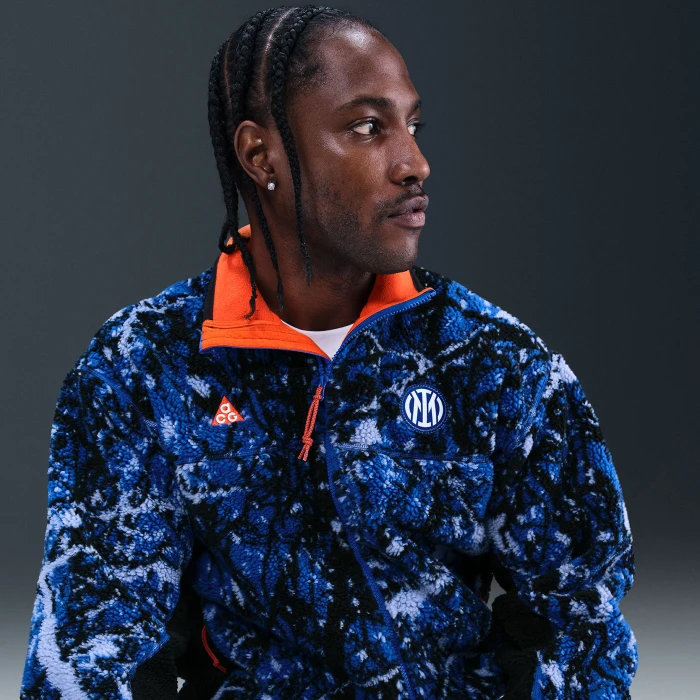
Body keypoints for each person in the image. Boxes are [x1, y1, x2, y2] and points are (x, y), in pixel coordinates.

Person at [20, 5, 638, 699]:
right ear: (261, 157)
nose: (415, 164)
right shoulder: (142, 365)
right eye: (368, 127)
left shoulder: (493, 361)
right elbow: (90, 645)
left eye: (413, 126)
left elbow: (581, 624)